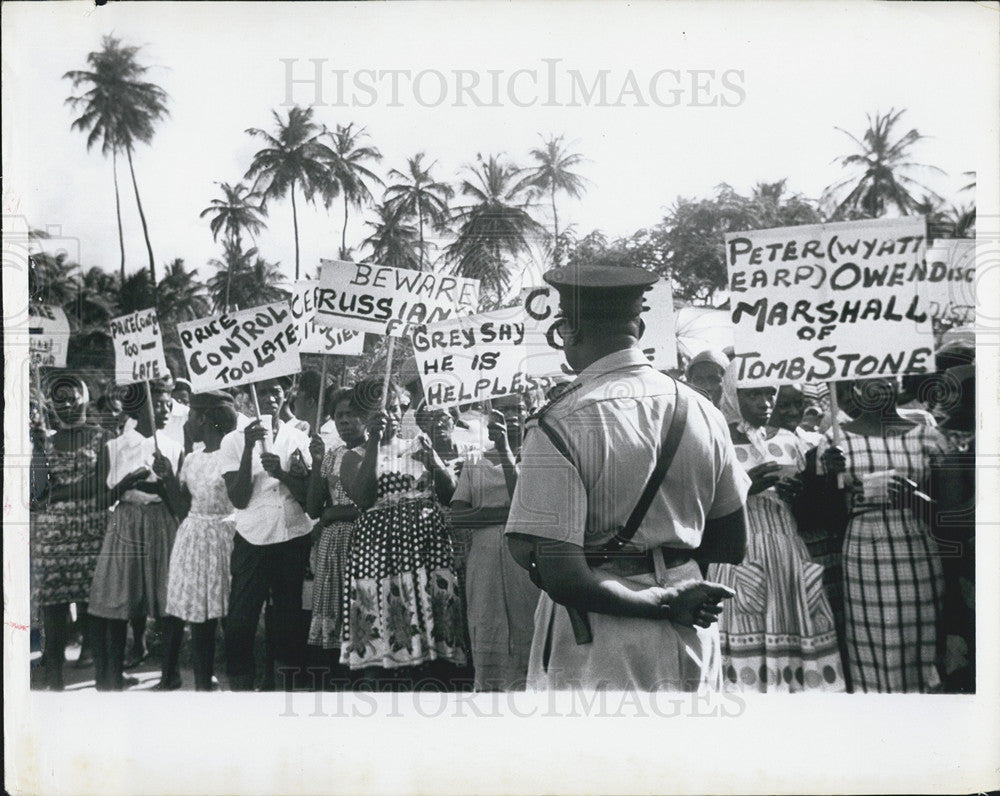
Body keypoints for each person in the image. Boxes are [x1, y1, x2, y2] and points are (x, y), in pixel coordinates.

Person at [505, 264, 748, 692]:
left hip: (603, 635)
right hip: (692, 621)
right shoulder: (704, 411)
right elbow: (732, 541)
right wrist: (672, 578)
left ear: (570, 330)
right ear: (637, 326)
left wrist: (657, 601)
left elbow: (563, 577)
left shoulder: (559, 422)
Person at [709, 365, 845, 692]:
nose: (764, 401)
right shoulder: (715, 438)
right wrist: (745, 489)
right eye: (752, 393)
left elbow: (814, 514)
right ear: (731, 393)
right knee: (745, 657)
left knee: (797, 647)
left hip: (788, 556)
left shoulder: (790, 442)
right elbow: (702, 507)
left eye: (769, 391)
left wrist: (820, 481)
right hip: (738, 557)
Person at [820, 377, 959, 692]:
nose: (877, 388)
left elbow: (951, 513)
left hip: (916, 547)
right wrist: (830, 478)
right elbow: (827, 515)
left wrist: (915, 500)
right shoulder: (835, 439)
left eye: (885, 379)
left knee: (920, 633)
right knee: (872, 638)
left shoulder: (927, 435)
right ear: (853, 387)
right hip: (863, 550)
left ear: (897, 383)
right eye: (867, 381)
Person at [339, 378, 467, 687]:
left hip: (426, 548)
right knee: (384, 620)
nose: (391, 416)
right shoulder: (353, 455)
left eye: (396, 408)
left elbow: (451, 495)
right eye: (380, 411)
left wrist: (434, 463)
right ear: (362, 416)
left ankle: (434, 681)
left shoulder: (420, 443)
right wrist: (374, 442)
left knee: (433, 621)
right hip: (380, 555)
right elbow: (363, 497)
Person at [88, 378, 183, 690]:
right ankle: (113, 675)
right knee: (119, 597)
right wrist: (127, 482)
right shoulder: (114, 447)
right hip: (125, 523)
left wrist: (164, 481)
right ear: (139, 408)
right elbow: (101, 499)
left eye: (169, 404)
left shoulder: (172, 447)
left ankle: (170, 674)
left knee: (168, 599)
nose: (166, 411)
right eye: (159, 405)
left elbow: (177, 502)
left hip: (161, 522)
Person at [220, 378, 313, 691]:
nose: (271, 397)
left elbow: (309, 497)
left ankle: (282, 689)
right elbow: (239, 498)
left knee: (287, 619)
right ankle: (243, 689)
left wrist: (283, 474)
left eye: (276, 391)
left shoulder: (297, 435)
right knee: (241, 619)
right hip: (254, 537)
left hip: (292, 535)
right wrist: (248, 449)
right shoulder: (232, 440)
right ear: (249, 398)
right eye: (262, 392)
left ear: (284, 395)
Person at [451, 393, 541, 691]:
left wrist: (505, 452)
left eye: (518, 408)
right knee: (487, 625)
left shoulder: (540, 456)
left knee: (530, 627)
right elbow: (459, 516)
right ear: (491, 415)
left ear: (529, 412)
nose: (512, 415)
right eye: (504, 409)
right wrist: (507, 514)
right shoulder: (474, 461)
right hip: (484, 560)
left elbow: (528, 505)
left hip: (525, 562)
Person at [152, 391, 239, 691]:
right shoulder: (191, 458)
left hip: (224, 538)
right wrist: (166, 479)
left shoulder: (232, 454)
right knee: (199, 617)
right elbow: (180, 508)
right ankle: (203, 684)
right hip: (192, 539)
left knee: (228, 614)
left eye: (190, 415)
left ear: (204, 418)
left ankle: (240, 683)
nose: (187, 422)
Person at [30, 375, 108, 689]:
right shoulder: (46, 440)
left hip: (92, 527)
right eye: (59, 399)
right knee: (54, 600)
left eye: (72, 397)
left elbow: (100, 483)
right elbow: (38, 491)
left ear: (85, 398)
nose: (66, 404)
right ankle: (54, 671)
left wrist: (61, 495)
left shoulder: (102, 436)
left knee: (93, 597)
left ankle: (95, 658)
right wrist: (36, 448)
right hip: (53, 533)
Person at [304, 388, 365, 687]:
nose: (345, 421)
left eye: (352, 414)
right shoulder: (333, 455)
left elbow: (371, 504)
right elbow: (315, 508)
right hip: (332, 547)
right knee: (333, 619)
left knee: (360, 617)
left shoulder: (378, 452)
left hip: (364, 542)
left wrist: (335, 513)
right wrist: (316, 462)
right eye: (339, 416)